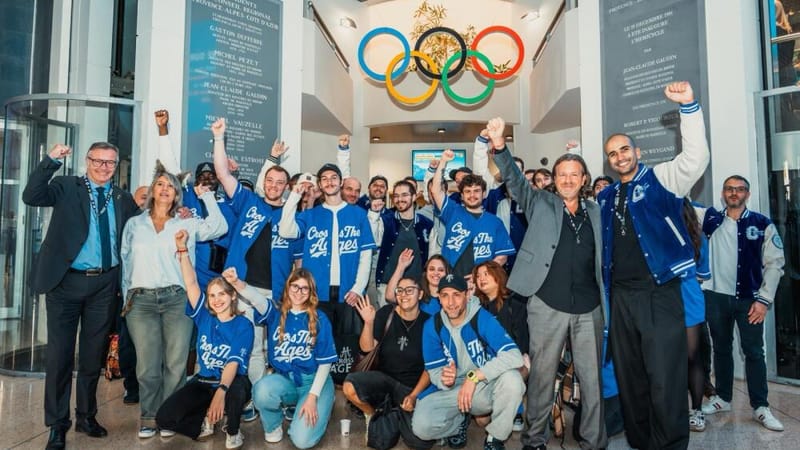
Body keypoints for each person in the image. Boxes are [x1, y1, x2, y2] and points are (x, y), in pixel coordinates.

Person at [598, 81, 709, 449]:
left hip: (660, 294)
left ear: (637, 151)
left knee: (665, 379)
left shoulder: (662, 179)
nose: (619, 157)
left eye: (624, 149)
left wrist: (689, 107)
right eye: (612, 154)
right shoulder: (606, 197)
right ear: (609, 161)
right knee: (631, 381)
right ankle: (642, 443)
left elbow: (695, 160)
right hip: (622, 299)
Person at [490, 118, 607, 450]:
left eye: (574, 175)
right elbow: (513, 179)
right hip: (546, 302)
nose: (568, 180)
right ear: (554, 180)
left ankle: (593, 441)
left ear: (584, 179)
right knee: (542, 376)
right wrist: (500, 145)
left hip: (590, 307)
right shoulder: (540, 202)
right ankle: (534, 440)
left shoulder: (597, 211)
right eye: (562, 175)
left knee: (592, 380)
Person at [23, 142, 139, 450]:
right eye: (98, 161)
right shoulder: (65, 187)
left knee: (92, 357)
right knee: (60, 358)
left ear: (117, 166)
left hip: (104, 286)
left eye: (110, 163)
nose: (104, 167)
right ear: (87, 162)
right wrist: (50, 160)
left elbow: (144, 228)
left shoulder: (122, 198)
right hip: (65, 284)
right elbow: (31, 195)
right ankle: (58, 424)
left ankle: (87, 415)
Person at [121, 161, 228, 439]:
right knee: (146, 365)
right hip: (140, 301)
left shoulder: (186, 222)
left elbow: (219, 226)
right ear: (153, 191)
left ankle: (169, 416)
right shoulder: (135, 224)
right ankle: (148, 416)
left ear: (177, 193)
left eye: (171, 185)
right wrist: (125, 299)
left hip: (176, 299)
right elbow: (125, 262)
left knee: (176, 363)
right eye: (160, 184)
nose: (165, 188)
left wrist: (206, 196)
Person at [211, 117, 295, 385]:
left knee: (269, 349)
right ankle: (249, 398)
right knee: (249, 347)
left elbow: (298, 261)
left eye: (279, 182)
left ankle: (266, 397)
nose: (273, 185)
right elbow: (223, 174)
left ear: (286, 187)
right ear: (264, 181)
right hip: (241, 287)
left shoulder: (293, 216)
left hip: (274, 291)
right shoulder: (249, 201)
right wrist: (219, 137)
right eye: (269, 180)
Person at [700, 175, 786, 431]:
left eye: (739, 189)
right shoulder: (710, 220)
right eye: (729, 189)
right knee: (722, 349)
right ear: (723, 193)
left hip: (750, 300)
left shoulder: (762, 224)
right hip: (715, 297)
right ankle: (723, 398)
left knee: (754, 352)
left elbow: (775, 264)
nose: (734, 193)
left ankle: (761, 406)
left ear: (747, 194)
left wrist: (764, 300)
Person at [154, 230, 254, 449]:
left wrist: (221, 391)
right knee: (164, 419)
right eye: (212, 295)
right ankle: (204, 421)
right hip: (204, 381)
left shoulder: (243, 325)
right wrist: (182, 249)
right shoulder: (204, 317)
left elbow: (233, 363)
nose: (217, 300)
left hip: (233, 381)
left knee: (235, 393)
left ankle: (234, 430)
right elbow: (191, 283)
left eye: (221, 294)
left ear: (232, 295)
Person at [279, 163, 376, 383]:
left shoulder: (358, 215)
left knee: (348, 343)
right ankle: (318, 386)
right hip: (316, 292)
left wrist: (358, 288)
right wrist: (295, 194)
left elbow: (365, 255)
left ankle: (348, 388)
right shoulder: (311, 215)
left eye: (334, 177)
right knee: (318, 338)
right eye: (324, 178)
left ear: (341, 182)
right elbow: (286, 230)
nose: (329, 182)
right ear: (320, 184)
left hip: (348, 292)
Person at [412, 274, 525, 450]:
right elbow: (433, 370)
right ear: (439, 298)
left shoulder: (481, 317)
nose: (451, 302)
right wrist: (444, 379)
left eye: (456, 294)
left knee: (513, 380)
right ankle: (459, 422)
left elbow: (514, 355)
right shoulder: (432, 326)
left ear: (467, 295)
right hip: (452, 390)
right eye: (445, 295)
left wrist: (474, 377)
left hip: (480, 388)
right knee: (421, 428)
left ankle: (494, 439)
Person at [237, 268, 338, 449]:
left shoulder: (319, 318)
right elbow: (256, 299)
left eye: (304, 288)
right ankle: (274, 425)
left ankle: (324, 401)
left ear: (311, 292)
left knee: (302, 441)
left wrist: (312, 397)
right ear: (287, 287)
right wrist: (236, 283)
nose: (299, 292)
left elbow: (325, 363)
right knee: (262, 390)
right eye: (295, 286)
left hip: (314, 382)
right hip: (286, 380)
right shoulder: (276, 313)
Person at [343, 278, 431, 446]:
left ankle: (395, 413)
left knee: (419, 442)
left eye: (409, 290)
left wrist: (413, 396)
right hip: (383, 380)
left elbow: (430, 368)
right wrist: (368, 323)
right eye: (400, 290)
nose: (403, 295)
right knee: (349, 387)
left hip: (411, 388)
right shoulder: (386, 313)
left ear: (420, 294)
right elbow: (367, 349)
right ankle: (372, 414)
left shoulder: (428, 323)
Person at [429, 149, 515, 279]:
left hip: (481, 284)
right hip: (451, 280)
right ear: (462, 196)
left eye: (476, 191)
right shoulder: (452, 212)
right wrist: (443, 162)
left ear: (484, 194)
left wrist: (481, 275)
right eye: (468, 191)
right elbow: (436, 191)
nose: (472, 195)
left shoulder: (495, 222)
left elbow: (502, 256)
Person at [471, 260, 529, 432]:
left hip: (511, 362)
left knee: (515, 373)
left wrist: (523, 363)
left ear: (498, 275)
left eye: (486, 274)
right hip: (485, 363)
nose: (481, 279)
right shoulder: (477, 308)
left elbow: (522, 339)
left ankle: (515, 407)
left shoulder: (515, 304)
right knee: (482, 421)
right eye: (478, 276)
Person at [373, 180, 433, 306]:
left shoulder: (427, 224)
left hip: (417, 288)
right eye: (396, 196)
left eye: (404, 195)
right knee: (387, 324)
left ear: (414, 196)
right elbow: (373, 241)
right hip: (387, 286)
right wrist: (373, 215)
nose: (400, 199)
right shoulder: (385, 221)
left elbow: (432, 255)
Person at [680, 199, 711, 433]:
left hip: (688, 300)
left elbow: (702, 273)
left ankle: (697, 410)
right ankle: (674, 409)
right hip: (660, 302)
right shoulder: (652, 235)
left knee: (693, 357)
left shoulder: (698, 237)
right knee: (666, 359)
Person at [386, 251, 448, 315]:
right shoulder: (417, 293)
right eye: (432, 269)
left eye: (441, 270)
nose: (436, 273)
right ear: (426, 272)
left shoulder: (452, 296)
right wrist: (401, 266)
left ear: (447, 273)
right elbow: (390, 296)